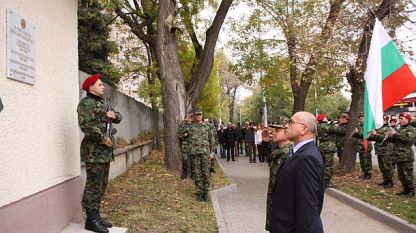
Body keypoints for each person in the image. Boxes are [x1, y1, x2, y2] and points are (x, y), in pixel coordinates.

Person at [77, 74, 122, 233]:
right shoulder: (86, 104)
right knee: (93, 186)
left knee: (101, 185)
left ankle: (96, 216)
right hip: (93, 153)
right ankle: (91, 220)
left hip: (104, 153)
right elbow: (86, 127)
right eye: (100, 84)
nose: (103, 87)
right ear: (91, 88)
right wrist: (104, 139)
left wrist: (114, 115)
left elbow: (119, 117)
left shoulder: (103, 103)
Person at [271, 111, 324, 233]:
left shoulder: (308, 158)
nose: (286, 126)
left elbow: (307, 207)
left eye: (291, 122)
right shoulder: (298, 152)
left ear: (304, 129)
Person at [265, 119, 293, 232]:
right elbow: (269, 162)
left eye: (277, 130)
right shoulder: (279, 150)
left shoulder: (290, 153)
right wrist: (266, 142)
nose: (273, 133)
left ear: (287, 133)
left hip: (284, 210)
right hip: (275, 204)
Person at [187, 109, 215, 201]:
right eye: (196, 115)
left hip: (205, 154)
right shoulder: (190, 127)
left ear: (202, 115)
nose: (198, 116)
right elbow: (180, 133)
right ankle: (199, 193)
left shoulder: (207, 126)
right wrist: (186, 121)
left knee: (206, 174)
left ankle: (205, 193)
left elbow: (212, 140)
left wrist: (212, 152)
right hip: (195, 154)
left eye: (200, 114)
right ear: (194, 116)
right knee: (197, 174)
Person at [387, 112, 415, 197]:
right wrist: (390, 136)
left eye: (402, 119)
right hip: (398, 156)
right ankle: (405, 189)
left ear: (407, 119)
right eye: (400, 118)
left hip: (406, 156)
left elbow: (408, 139)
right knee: (401, 174)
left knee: (407, 174)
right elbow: (395, 140)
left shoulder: (411, 129)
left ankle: (410, 191)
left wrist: (395, 134)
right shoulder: (400, 129)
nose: (400, 120)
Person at [367, 115, 394, 188]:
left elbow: (383, 138)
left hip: (386, 150)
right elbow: (376, 138)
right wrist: (370, 135)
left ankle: (389, 181)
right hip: (379, 150)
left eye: (382, 120)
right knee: (382, 167)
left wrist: (376, 134)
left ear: (386, 120)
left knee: (387, 167)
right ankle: (385, 180)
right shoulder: (379, 128)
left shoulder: (389, 128)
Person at [316, 113, 337, 188]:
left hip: (322, 146)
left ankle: (321, 178)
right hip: (328, 147)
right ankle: (326, 181)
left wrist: (331, 123)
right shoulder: (325, 126)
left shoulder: (319, 125)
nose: (326, 118)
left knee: (323, 163)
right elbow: (335, 130)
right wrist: (333, 124)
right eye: (325, 117)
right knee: (328, 165)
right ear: (323, 118)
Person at [353, 113, 373, 180]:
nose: (360, 120)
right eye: (359, 118)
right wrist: (355, 133)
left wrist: (358, 132)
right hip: (360, 146)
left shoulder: (368, 126)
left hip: (366, 146)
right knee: (362, 161)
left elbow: (366, 135)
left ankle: (368, 174)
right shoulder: (359, 126)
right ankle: (364, 173)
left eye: (361, 118)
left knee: (367, 161)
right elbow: (358, 136)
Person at [178, 113, 193, 179]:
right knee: (185, 159)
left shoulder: (194, 125)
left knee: (193, 159)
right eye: (187, 118)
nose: (189, 119)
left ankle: (193, 173)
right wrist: (184, 136)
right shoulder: (182, 126)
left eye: (190, 118)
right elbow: (179, 135)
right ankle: (185, 172)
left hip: (193, 145)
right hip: (185, 145)